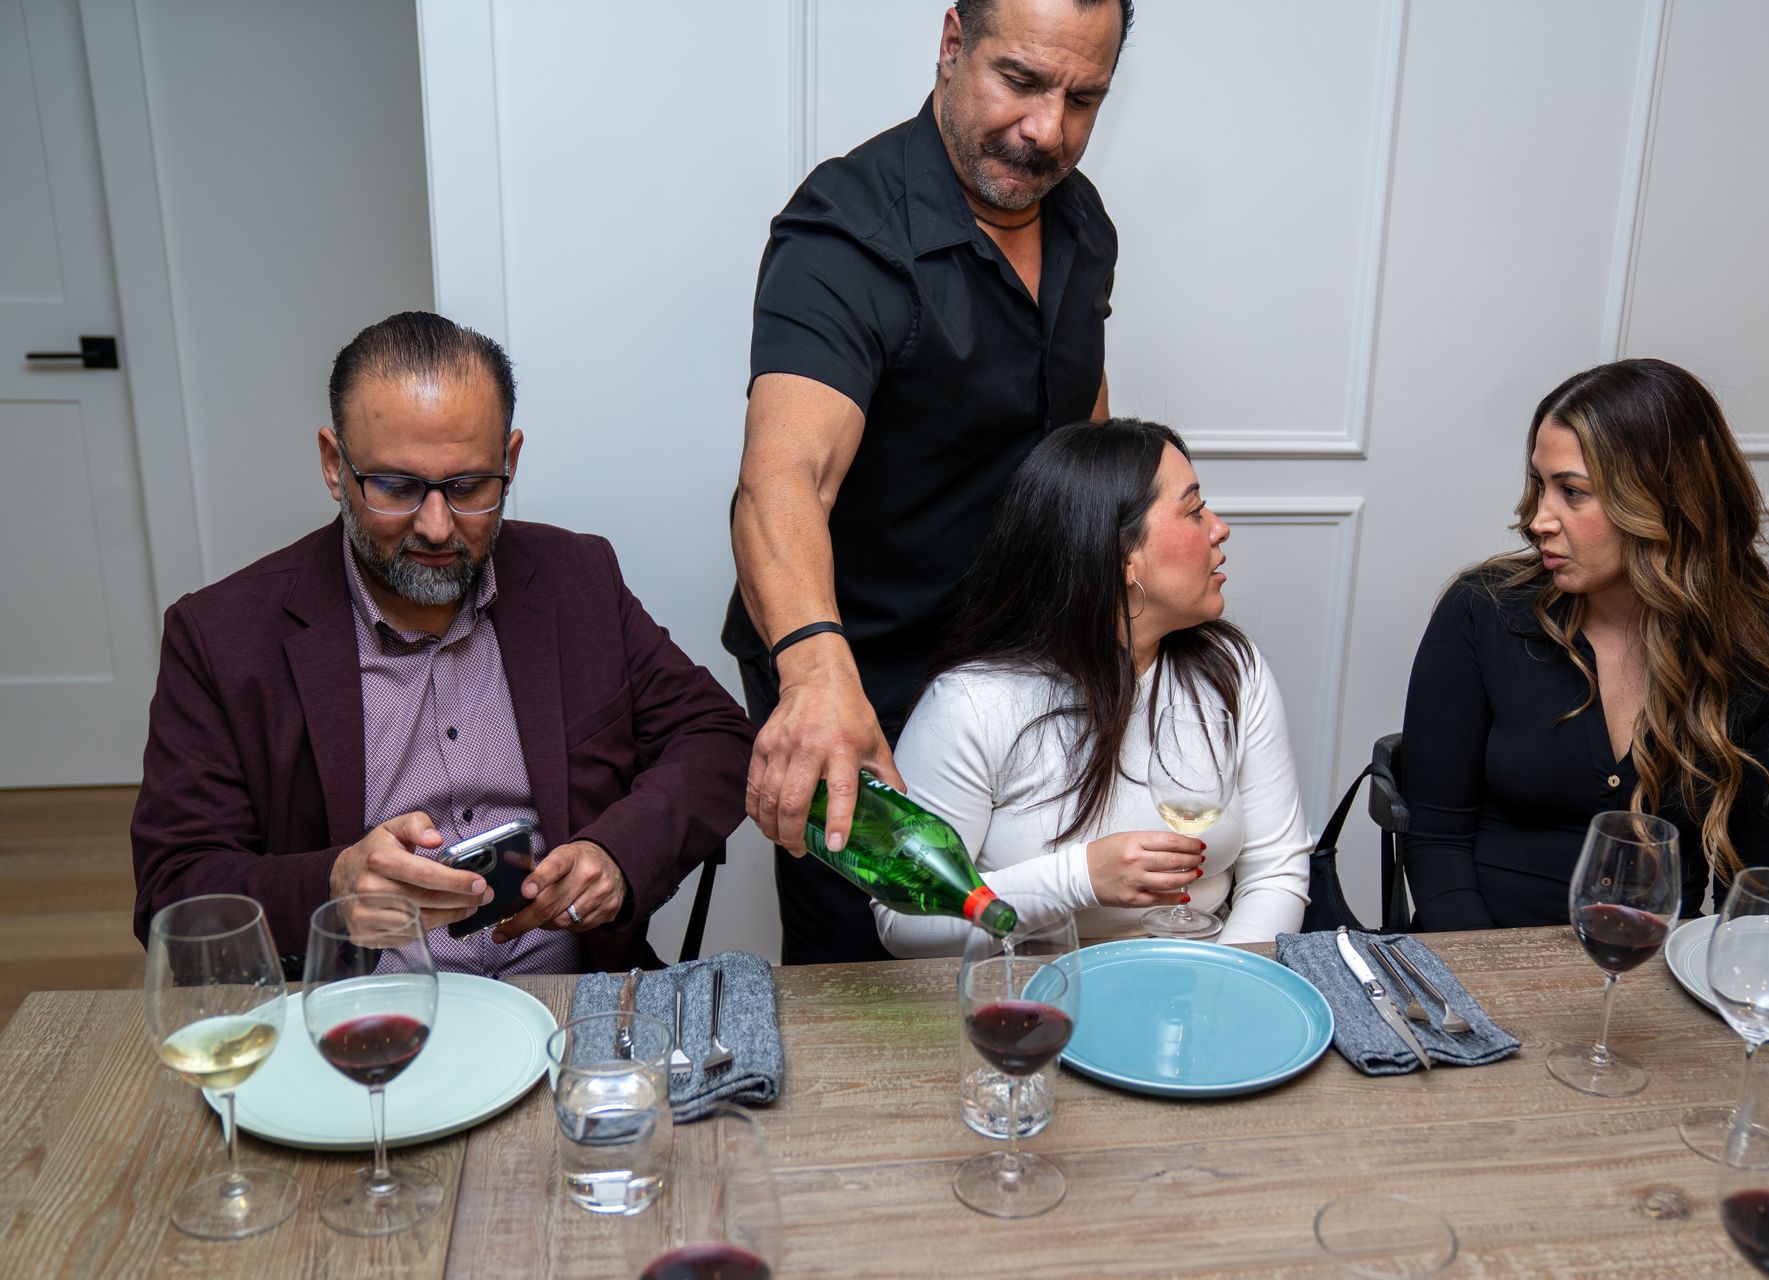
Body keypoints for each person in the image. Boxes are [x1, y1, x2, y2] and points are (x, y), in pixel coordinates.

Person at [131, 311, 755, 974]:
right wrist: (333, 887)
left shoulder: (578, 581)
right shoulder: (222, 636)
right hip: (367, 1025)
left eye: (468, 487)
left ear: (509, 461)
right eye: (397, 487)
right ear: (334, 466)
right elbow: (174, 889)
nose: (435, 526)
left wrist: (617, 854)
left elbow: (717, 739)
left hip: (578, 1007)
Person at [724, 0, 1134, 962]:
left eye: (1084, 98)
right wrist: (819, 675)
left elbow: (1083, 420)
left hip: (1015, 664)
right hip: (858, 675)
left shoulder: (1081, 220)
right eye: (1022, 82)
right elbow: (782, 480)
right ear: (953, 44)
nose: (1047, 131)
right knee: (873, 984)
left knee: (1025, 943)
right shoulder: (846, 232)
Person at [1399, 358, 1769, 930]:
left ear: (1663, 500)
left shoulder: (1768, 651)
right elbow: (1436, 841)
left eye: (1572, 493)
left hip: (1651, 968)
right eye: (1540, 485)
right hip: (1477, 959)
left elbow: (1756, 901)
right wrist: (1486, 991)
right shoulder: (1484, 610)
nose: (1537, 519)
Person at [873, 419, 1312, 956]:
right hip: (1036, 1005)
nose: (1218, 528)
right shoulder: (970, 704)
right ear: (1121, 555)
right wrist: (1078, 878)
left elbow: (1276, 869)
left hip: (1201, 980)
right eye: (1194, 511)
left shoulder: (1231, 668)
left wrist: (1225, 981)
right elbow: (905, 923)